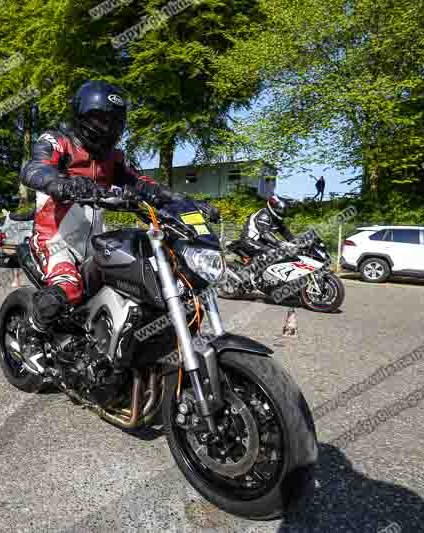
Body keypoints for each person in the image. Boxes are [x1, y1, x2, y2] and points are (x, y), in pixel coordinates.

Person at [19, 79, 218, 362]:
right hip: (54, 241)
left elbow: (143, 186)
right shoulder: (57, 141)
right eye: (101, 119)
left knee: (143, 281)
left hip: (95, 244)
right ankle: (33, 332)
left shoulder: (113, 158)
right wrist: (62, 184)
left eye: (114, 121)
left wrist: (184, 203)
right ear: (82, 115)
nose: (107, 128)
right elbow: (34, 168)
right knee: (67, 289)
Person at [239, 194, 297, 258]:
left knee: (285, 254)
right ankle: (251, 268)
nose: (285, 212)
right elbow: (266, 234)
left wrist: (298, 243)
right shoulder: (264, 215)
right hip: (249, 240)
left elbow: (286, 233)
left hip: (262, 241)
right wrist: (281, 244)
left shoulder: (277, 219)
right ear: (275, 207)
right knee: (271, 254)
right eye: (284, 209)